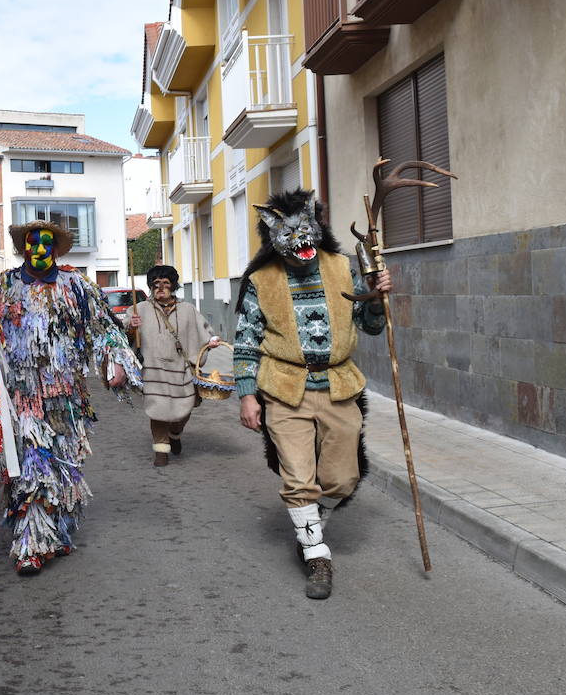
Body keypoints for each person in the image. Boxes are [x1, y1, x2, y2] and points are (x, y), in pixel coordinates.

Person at [232, 189, 391, 600]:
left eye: (307, 228)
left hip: (339, 387)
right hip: (284, 391)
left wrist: (376, 297)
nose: (301, 239)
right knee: (298, 478)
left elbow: (372, 326)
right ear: (272, 239)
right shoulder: (260, 282)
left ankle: (309, 524)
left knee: (343, 478)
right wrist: (247, 395)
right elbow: (246, 340)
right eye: (288, 233)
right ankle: (317, 555)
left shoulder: (341, 267)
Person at [0, 220, 142, 575]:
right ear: (23, 248)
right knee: (31, 467)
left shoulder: (76, 286)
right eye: (32, 243)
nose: (39, 250)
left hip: (68, 399)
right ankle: (30, 544)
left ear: (56, 249)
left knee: (65, 467)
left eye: (46, 244)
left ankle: (56, 532)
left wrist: (115, 361)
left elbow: (104, 328)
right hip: (23, 397)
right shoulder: (4, 287)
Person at [126, 265, 221, 467]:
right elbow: (124, 338)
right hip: (153, 370)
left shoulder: (187, 309)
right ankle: (161, 450)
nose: (160, 287)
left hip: (182, 370)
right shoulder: (139, 309)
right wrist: (130, 327)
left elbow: (204, 329)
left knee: (185, 408)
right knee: (158, 410)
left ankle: (175, 433)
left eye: (165, 283)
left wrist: (211, 340)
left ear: (173, 286)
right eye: (156, 284)